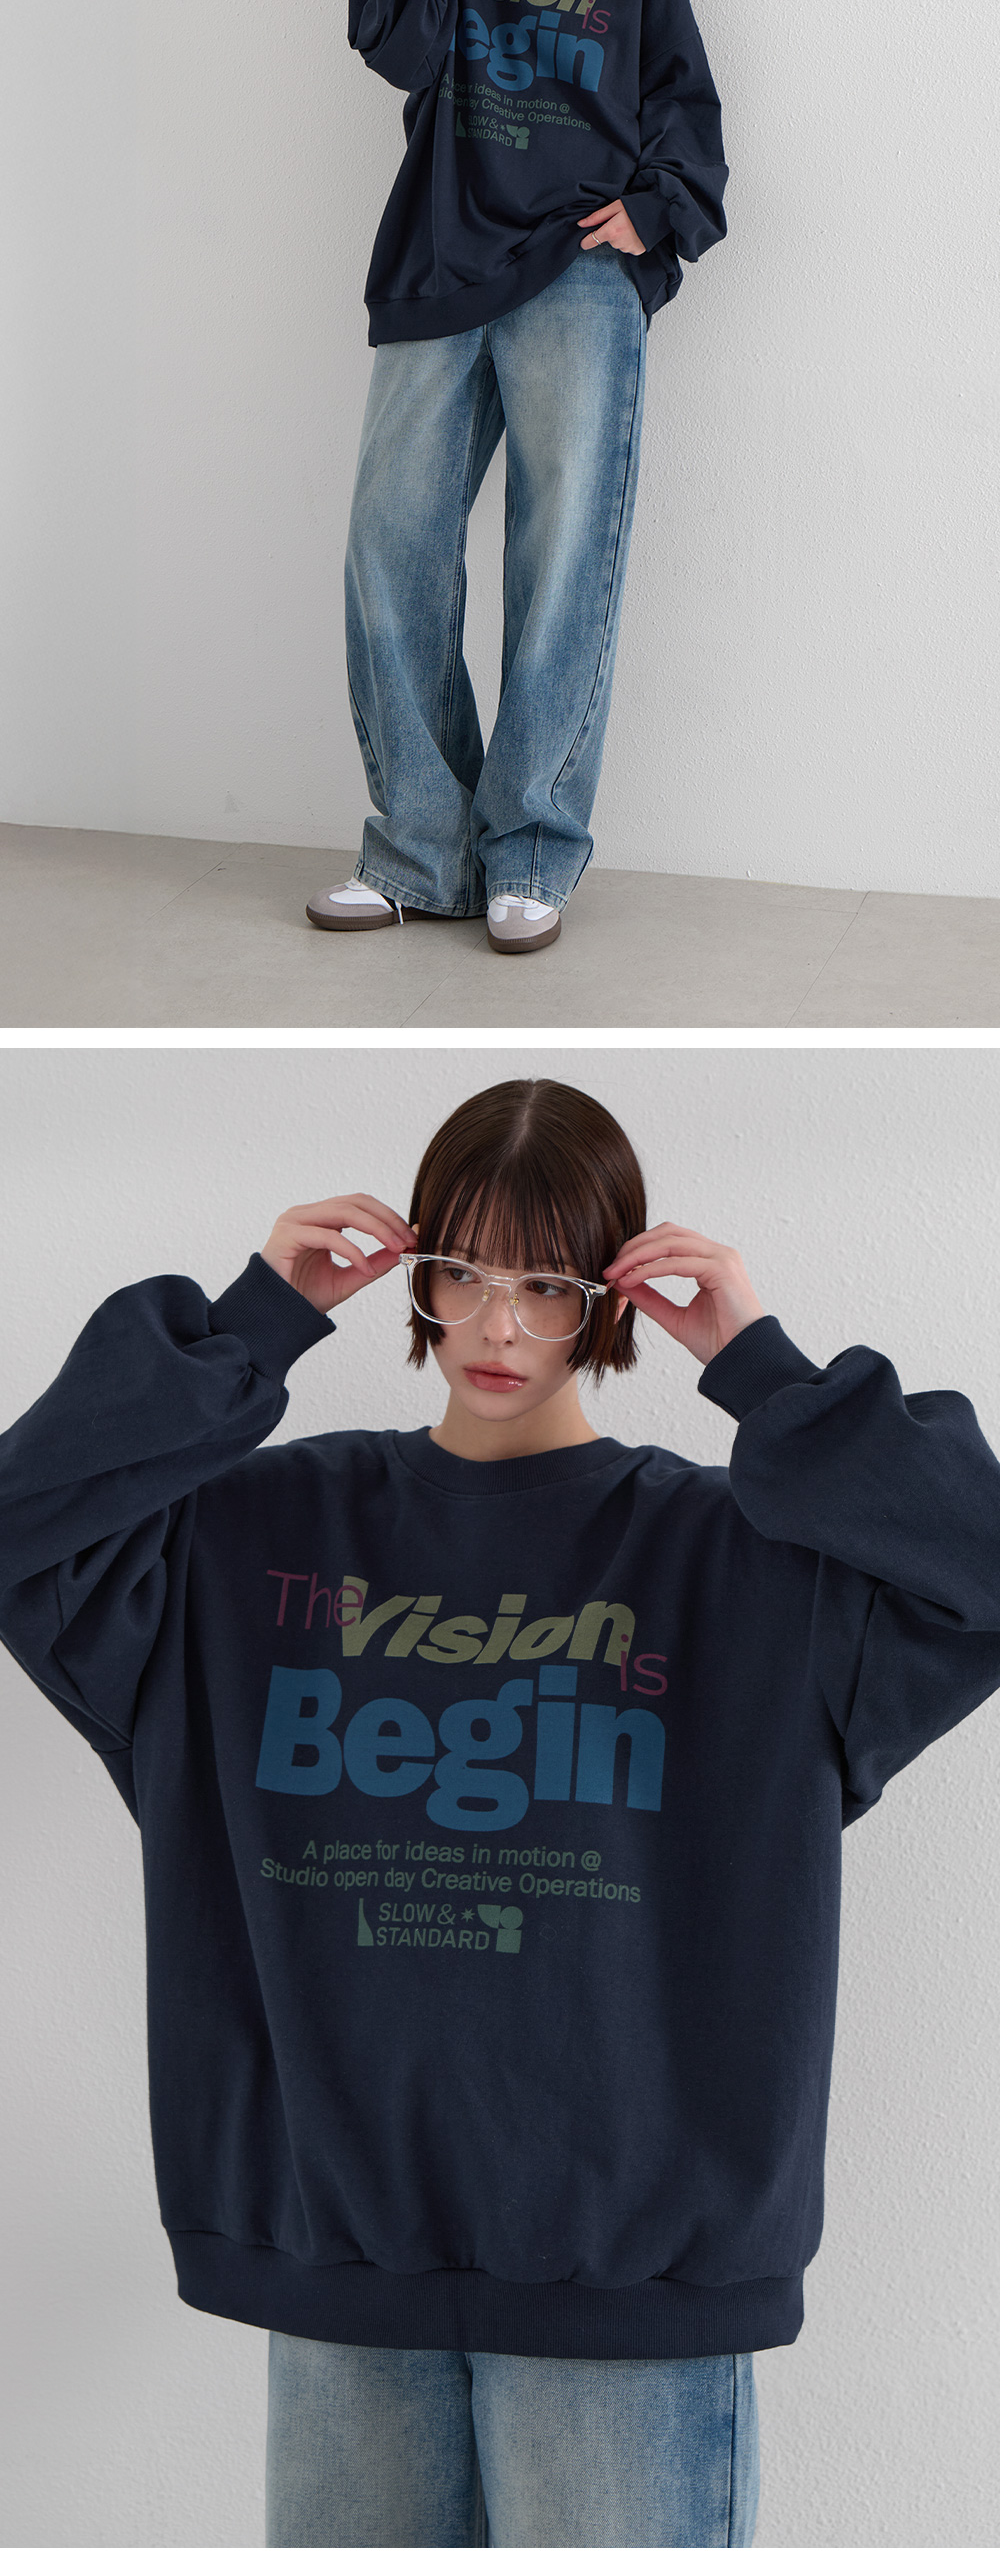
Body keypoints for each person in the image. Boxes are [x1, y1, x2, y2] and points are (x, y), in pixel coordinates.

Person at [2, 1069, 999, 2552]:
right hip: (337, 2269)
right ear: (413, 1273)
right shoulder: (253, 1537)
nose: (499, 1326)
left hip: (634, 2294)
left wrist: (765, 1374)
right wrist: (250, 1324)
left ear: (610, 1297)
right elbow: (26, 1526)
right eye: (462, 1273)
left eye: (547, 1284)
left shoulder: (739, 1562)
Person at [307, 0, 727, 950]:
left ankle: (530, 853)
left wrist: (655, 211)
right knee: (391, 548)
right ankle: (417, 851)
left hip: (579, 269)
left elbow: (681, 89)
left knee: (560, 563)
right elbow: (396, 47)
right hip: (443, 254)